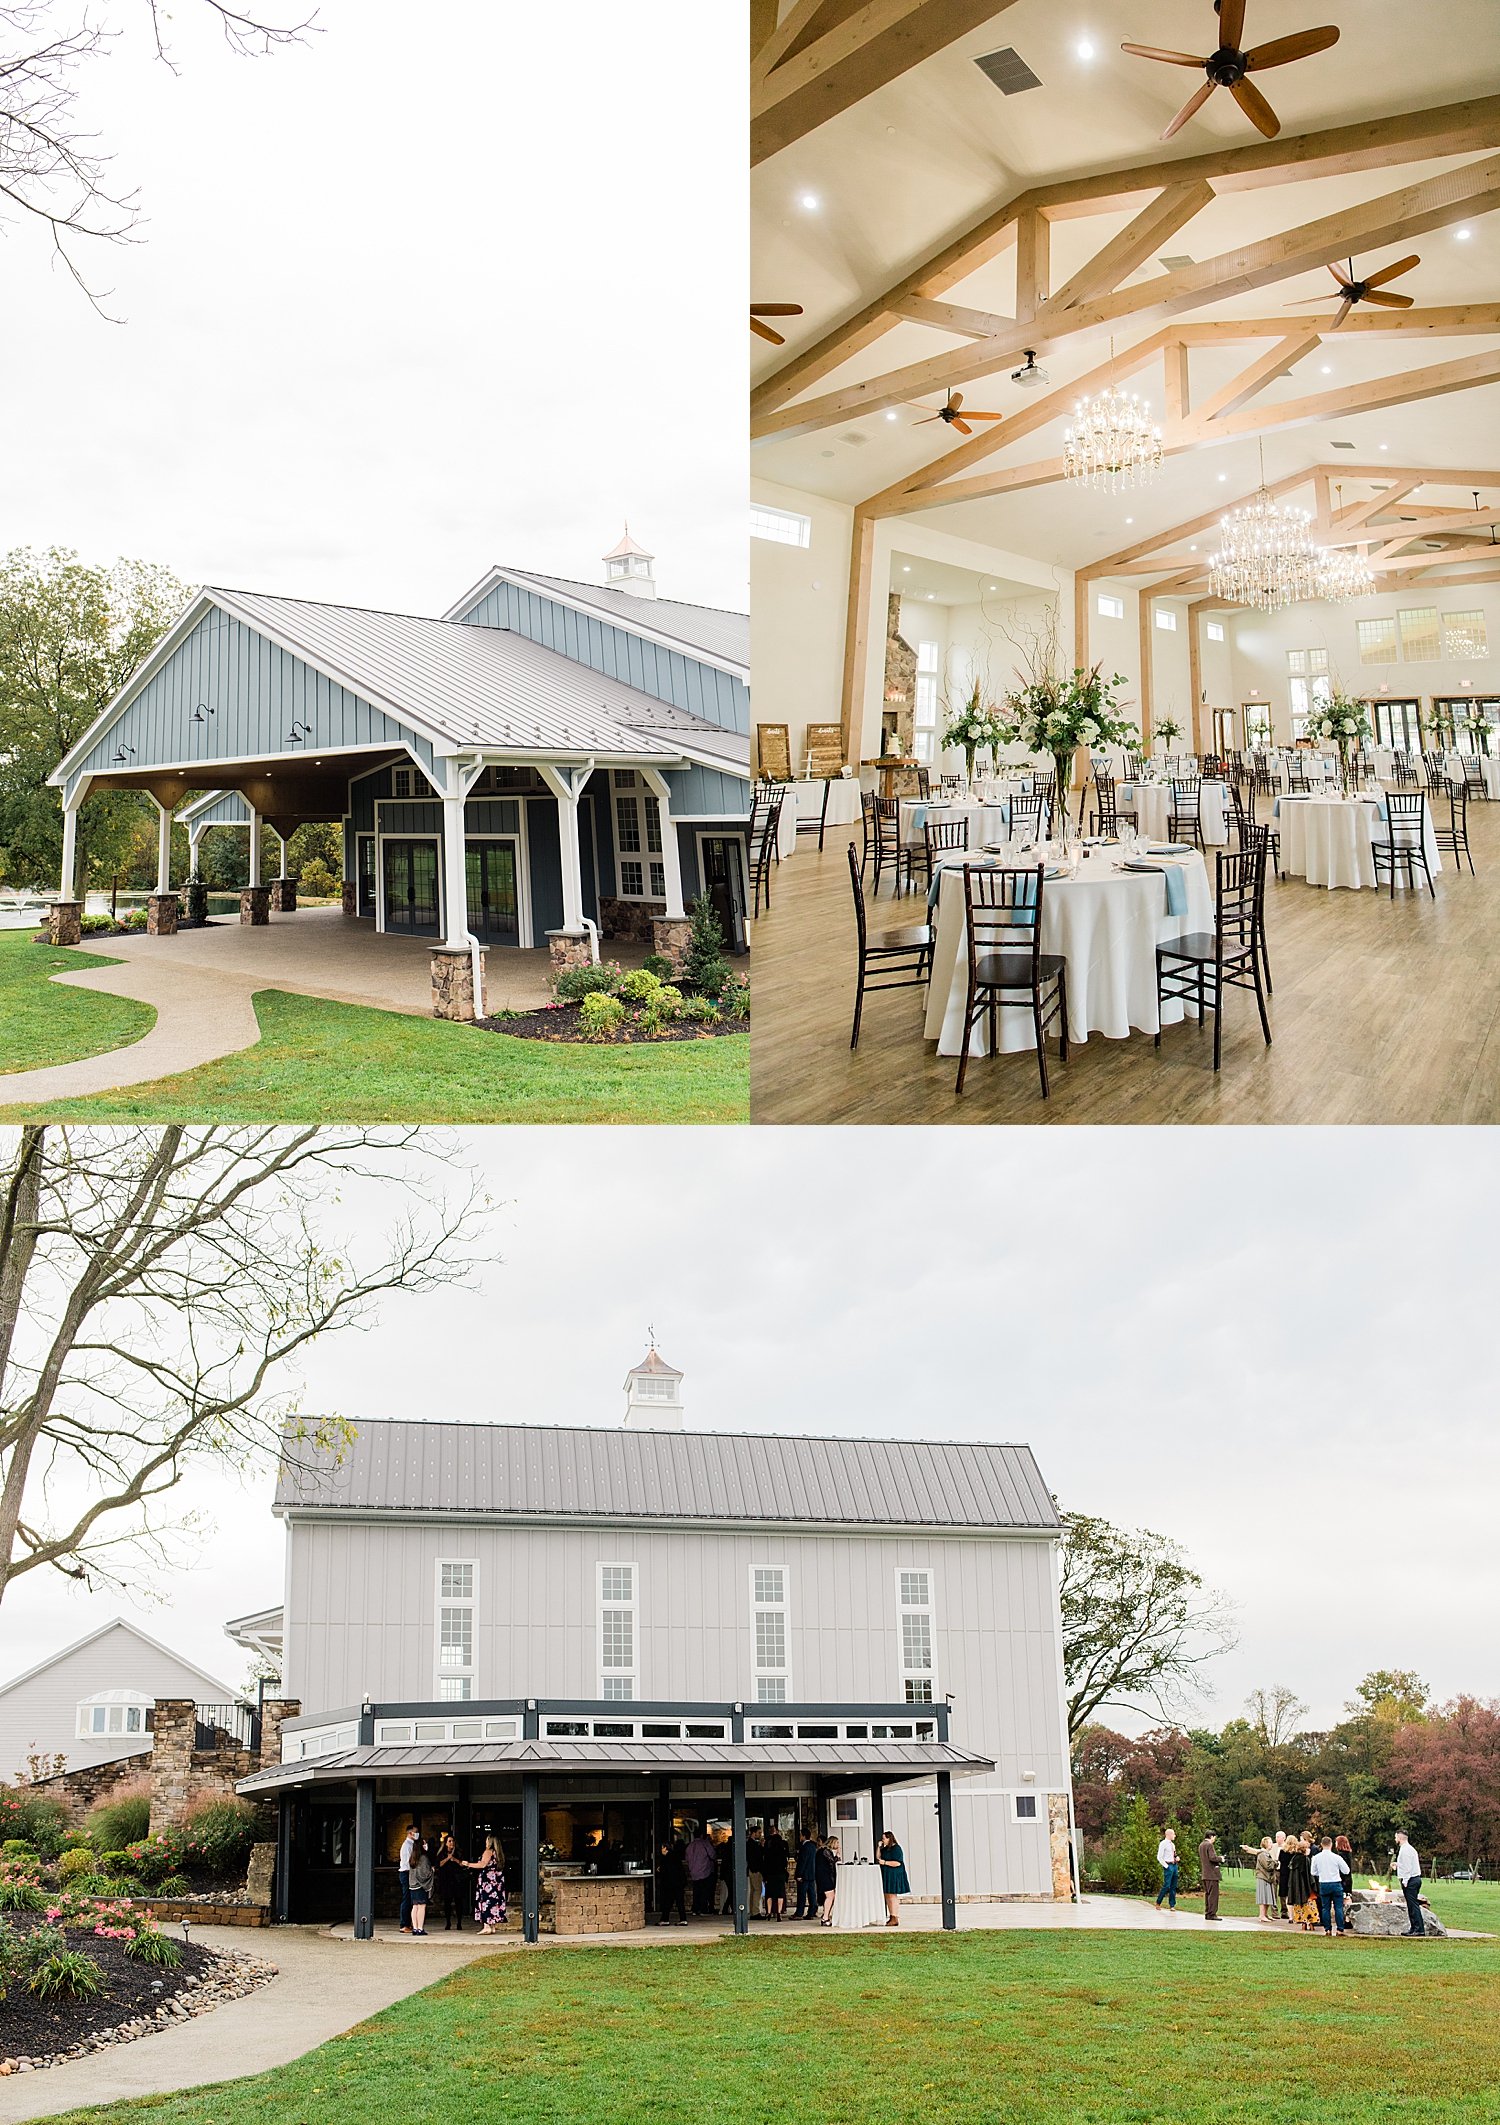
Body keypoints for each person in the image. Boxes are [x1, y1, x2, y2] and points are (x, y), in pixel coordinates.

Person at [460, 1833, 507, 1934]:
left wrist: (468, 1864)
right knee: (495, 1901)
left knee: (486, 1901)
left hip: (488, 1881)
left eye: (486, 1840)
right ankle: (493, 1925)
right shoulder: (498, 1853)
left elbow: (482, 1864)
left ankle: (486, 1925)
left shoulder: (488, 1851)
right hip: (497, 1880)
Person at [1310, 1835, 1351, 1937]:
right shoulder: (1337, 1857)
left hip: (1324, 1883)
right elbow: (1346, 1870)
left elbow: (1313, 1872)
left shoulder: (1316, 1858)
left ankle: (1327, 1929)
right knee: (1338, 1907)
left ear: (1321, 1845)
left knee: (1325, 1908)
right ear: (1331, 1845)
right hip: (1336, 1883)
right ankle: (1340, 1929)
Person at [1395, 1830, 1426, 1937]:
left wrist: (1405, 1881)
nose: (1395, 1839)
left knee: (1413, 1905)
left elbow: (1408, 1867)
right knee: (1411, 1905)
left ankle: (1419, 1929)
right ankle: (1413, 1927)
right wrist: (1397, 1865)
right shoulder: (1407, 1849)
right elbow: (1405, 1864)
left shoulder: (1406, 1850)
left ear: (1400, 1838)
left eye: (1396, 1837)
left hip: (1411, 1880)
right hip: (1412, 1879)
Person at [435, 1832, 468, 1932]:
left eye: (452, 1841)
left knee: (458, 1901)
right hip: (446, 1880)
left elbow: (463, 1864)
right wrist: (447, 1858)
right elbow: (438, 1864)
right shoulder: (442, 1853)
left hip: (457, 1880)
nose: (451, 1843)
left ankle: (459, 1922)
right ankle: (448, 1922)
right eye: (449, 1841)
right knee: (447, 1902)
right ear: (445, 1843)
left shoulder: (458, 1852)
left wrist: (455, 1860)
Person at [1243, 1836, 1280, 1924]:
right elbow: (1268, 1866)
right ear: (1265, 1844)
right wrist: (1276, 1862)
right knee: (1263, 1897)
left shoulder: (1266, 1853)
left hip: (1268, 1878)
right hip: (1263, 1877)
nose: (1271, 1844)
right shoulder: (1262, 1854)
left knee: (1268, 1897)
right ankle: (1262, 1915)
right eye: (1270, 1842)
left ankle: (1266, 1914)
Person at [878, 1829, 909, 1927]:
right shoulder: (886, 1849)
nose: (882, 1840)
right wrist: (879, 1847)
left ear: (889, 1838)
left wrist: (885, 1863)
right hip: (887, 1874)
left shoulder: (896, 1849)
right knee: (887, 1895)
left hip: (894, 1874)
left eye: (884, 1838)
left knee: (892, 1896)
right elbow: (878, 1857)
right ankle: (891, 1916)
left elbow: (897, 1862)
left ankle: (895, 1916)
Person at [1284, 1836, 1316, 1930]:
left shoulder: (1294, 1859)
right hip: (1305, 1887)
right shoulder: (1305, 1860)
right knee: (1309, 1905)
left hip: (1296, 1887)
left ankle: (1302, 1922)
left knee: (1299, 1906)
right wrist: (1313, 1886)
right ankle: (1310, 1922)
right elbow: (1308, 1875)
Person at [684, 1826, 717, 1917]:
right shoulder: (705, 1844)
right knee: (704, 1891)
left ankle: (695, 1909)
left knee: (696, 1891)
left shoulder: (689, 1846)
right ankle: (703, 1909)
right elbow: (713, 1855)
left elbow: (687, 1859)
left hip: (694, 1873)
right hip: (705, 1871)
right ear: (702, 1835)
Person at [407, 1836, 434, 1936]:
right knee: (422, 1906)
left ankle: (415, 1928)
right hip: (420, 1886)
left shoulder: (412, 1858)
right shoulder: (423, 1858)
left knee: (415, 1907)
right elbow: (425, 1873)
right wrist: (432, 1871)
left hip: (412, 1885)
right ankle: (420, 1928)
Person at [657, 1838, 688, 1927]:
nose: (661, 1850)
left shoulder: (667, 1858)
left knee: (667, 1902)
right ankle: (683, 1919)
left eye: (662, 1848)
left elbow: (667, 1871)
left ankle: (665, 1919)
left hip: (671, 1884)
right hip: (679, 1883)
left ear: (665, 1848)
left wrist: (660, 1869)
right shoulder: (675, 1856)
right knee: (679, 1901)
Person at [762, 1826, 789, 1921]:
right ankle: (779, 1913)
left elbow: (765, 1863)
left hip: (770, 1874)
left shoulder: (768, 1851)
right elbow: (786, 1862)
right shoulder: (783, 1850)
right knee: (780, 1894)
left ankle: (769, 1912)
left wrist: (764, 1876)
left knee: (769, 1894)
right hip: (780, 1873)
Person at [397, 1821, 418, 1934]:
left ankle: (407, 1923)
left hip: (408, 1873)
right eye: (415, 1832)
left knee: (409, 1899)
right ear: (410, 1833)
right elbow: (407, 1862)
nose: (417, 1834)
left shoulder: (411, 1845)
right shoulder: (407, 1846)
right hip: (406, 1873)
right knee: (407, 1899)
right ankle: (404, 1924)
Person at [1198, 1828, 1224, 1921]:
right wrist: (1220, 1859)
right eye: (1214, 1838)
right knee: (1213, 1895)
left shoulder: (1201, 1845)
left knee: (1208, 1894)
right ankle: (1212, 1913)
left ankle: (1208, 1912)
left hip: (1205, 1874)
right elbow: (1212, 1858)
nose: (1214, 1840)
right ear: (1211, 1836)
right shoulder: (1209, 1845)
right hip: (1212, 1874)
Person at [794, 1829, 820, 1920]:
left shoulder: (804, 1847)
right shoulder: (813, 1846)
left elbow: (802, 1861)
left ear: (804, 1836)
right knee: (812, 1894)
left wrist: (799, 1874)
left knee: (802, 1894)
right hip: (812, 1874)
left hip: (804, 1875)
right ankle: (812, 1911)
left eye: (801, 1835)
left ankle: (799, 1913)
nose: (800, 1837)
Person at [815, 1835, 839, 1926]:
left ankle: (826, 1915)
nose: (838, 1845)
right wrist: (837, 1855)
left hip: (824, 1877)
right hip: (825, 1877)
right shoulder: (825, 1851)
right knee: (830, 1896)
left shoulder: (822, 1851)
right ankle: (825, 1917)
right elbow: (832, 1861)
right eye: (837, 1842)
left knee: (831, 1897)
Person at [1154, 1826, 1179, 1911]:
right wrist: (1166, 1866)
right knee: (1167, 1885)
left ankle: (1172, 1905)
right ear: (1169, 1834)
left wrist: (1176, 1858)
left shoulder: (1172, 1844)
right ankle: (1158, 1902)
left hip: (1174, 1865)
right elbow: (1159, 1857)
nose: (1174, 1836)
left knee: (1173, 1886)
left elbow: (1174, 1854)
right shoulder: (1163, 1843)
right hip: (1168, 1865)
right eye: (1173, 1834)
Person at [746, 1828, 765, 1920]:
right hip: (755, 1870)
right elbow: (756, 1857)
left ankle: (753, 1910)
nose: (760, 1834)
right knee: (757, 1890)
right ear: (753, 1833)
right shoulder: (751, 1844)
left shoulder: (752, 1843)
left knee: (754, 1891)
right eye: (759, 1832)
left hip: (753, 1869)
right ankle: (755, 1911)